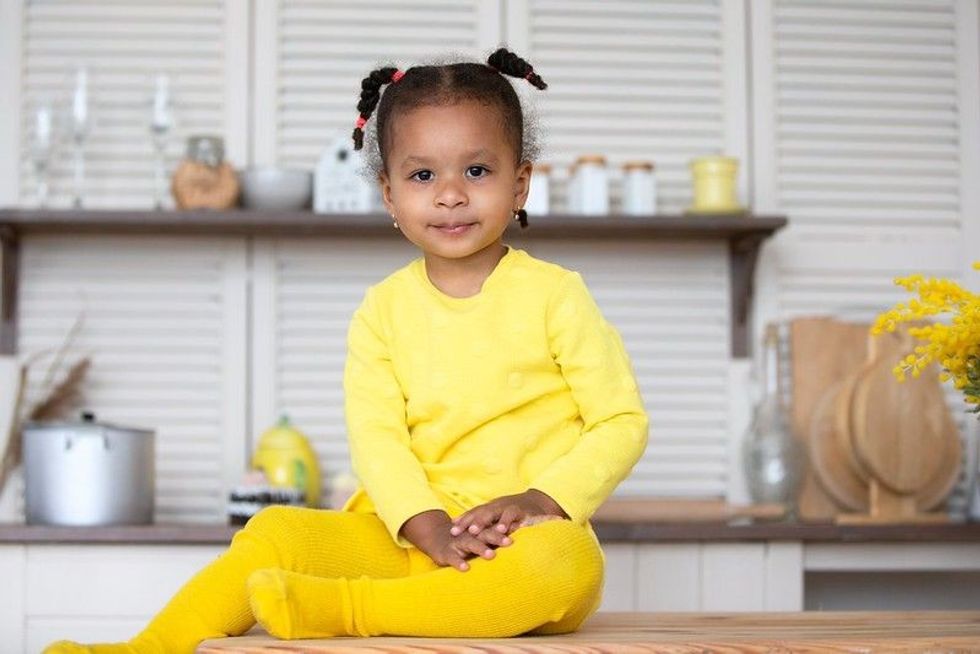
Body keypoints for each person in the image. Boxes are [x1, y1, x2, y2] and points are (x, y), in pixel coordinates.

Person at [45, 47, 648, 654]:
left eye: (476, 171)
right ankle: (146, 648)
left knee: (564, 562)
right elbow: (377, 438)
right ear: (389, 195)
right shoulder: (381, 311)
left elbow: (620, 420)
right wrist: (427, 527)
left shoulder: (556, 295)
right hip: (408, 539)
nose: (449, 196)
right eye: (421, 175)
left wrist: (539, 501)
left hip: (518, 546)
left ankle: (343, 609)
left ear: (520, 182)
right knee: (276, 529)